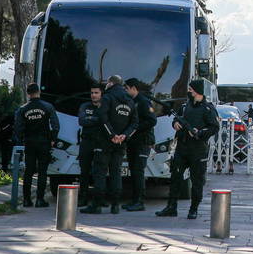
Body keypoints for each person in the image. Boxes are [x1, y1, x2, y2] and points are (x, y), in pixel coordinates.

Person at [156, 78, 219, 219]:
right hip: (182, 148)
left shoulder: (208, 109)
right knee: (175, 177)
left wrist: (200, 132)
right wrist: (175, 124)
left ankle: (193, 209)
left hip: (198, 150)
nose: (188, 92)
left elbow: (214, 127)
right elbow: (176, 118)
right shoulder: (185, 107)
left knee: (197, 181)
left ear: (197, 91)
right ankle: (171, 207)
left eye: (190, 90)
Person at [83, 75, 135, 215]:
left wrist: (112, 135)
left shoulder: (107, 97)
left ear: (111, 83)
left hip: (104, 141)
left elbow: (102, 117)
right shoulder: (130, 100)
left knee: (100, 172)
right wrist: (124, 136)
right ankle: (115, 205)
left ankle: (97, 205)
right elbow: (134, 123)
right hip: (121, 143)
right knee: (116, 172)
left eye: (107, 83)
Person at [13, 83, 58, 207]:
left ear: (28, 94)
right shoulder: (47, 106)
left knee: (29, 171)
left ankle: (27, 200)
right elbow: (55, 125)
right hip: (44, 142)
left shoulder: (22, 109)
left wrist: (21, 140)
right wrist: (53, 139)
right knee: (42, 172)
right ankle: (40, 199)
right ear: (39, 92)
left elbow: (17, 128)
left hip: (30, 142)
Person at [122, 78, 158, 211]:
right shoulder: (132, 101)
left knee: (138, 171)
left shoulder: (143, 102)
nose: (125, 91)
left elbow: (152, 120)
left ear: (133, 88)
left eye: (126, 88)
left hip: (143, 142)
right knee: (133, 171)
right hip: (133, 142)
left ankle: (139, 202)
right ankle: (134, 200)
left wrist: (135, 128)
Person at [77, 84, 103, 208]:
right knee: (84, 171)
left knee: (100, 172)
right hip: (86, 142)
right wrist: (97, 119)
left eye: (96, 93)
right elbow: (82, 121)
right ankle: (83, 197)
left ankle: (100, 199)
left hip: (100, 142)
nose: (93, 95)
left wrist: (91, 119)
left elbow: (105, 120)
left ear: (101, 94)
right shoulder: (85, 106)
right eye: (92, 93)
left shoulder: (105, 106)